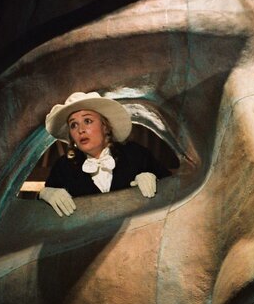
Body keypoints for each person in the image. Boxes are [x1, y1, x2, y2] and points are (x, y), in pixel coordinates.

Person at [38, 91, 171, 217]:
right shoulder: (63, 167)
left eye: (87, 121)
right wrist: (43, 195)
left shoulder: (135, 154)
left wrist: (155, 179)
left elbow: (173, 189)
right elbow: (40, 216)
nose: (80, 130)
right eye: (73, 125)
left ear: (105, 126)